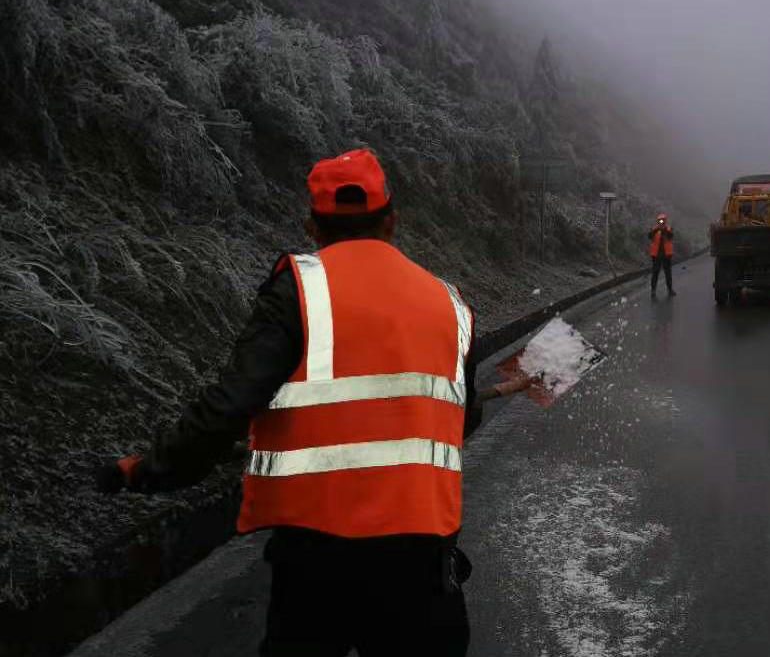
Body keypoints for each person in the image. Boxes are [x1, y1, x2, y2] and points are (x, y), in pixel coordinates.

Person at [96, 148, 526, 656]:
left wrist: (147, 470)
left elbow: (230, 405)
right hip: (421, 563)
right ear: (391, 220)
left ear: (313, 227)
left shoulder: (296, 290)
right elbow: (458, 419)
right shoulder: (451, 305)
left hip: (316, 565)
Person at [647, 213, 676, 299]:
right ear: (657, 221)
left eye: (663, 220)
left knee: (668, 273)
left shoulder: (669, 228)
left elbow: (671, 236)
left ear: (665, 220)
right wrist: (656, 230)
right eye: (660, 220)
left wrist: (664, 231)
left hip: (666, 255)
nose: (661, 221)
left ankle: (670, 290)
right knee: (655, 273)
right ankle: (653, 291)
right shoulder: (654, 229)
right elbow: (649, 236)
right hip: (656, 255)